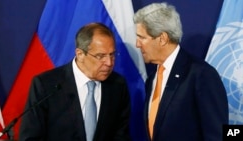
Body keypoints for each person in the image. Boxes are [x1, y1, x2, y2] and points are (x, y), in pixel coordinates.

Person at [19, 23, 131, 141]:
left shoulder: (118, 86)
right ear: (80, 54)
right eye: (100, 56)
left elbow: (121, 135)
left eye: (112, 54)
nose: (109, 62)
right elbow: (30, 137)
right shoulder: (46, 85)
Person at [133, 2, 228, 141]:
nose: (137, 44)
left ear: (162, 38)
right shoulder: (152, 78)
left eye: (142, 37)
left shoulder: (201, 75)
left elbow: (218, 134)